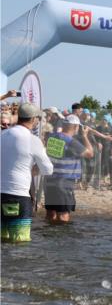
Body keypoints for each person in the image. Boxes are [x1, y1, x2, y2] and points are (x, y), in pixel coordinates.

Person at [1, 103, 53, 242]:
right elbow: (48, 169)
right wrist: (31, 171)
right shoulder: (32, 140)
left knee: (3, 240)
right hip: (18, 196)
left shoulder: (3, 134)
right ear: (33, 119)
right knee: (20, 242)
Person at [44, 114, 94, 224]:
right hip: (64, 183)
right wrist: (85, 136)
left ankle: (49, 238)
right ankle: (62, 239)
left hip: (50, 181)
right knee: (63, 216)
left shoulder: (52, 137)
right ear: (76, 127)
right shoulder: (71, 142)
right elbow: (90, 154)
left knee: (50, 214)